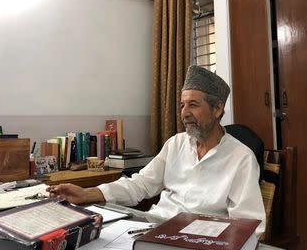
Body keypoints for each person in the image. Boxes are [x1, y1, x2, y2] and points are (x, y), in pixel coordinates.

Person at [48, 65, 266, 233]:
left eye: (193, 105)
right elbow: (140, 185)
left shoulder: (241, 158)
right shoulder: (176, 144)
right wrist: (86, 193)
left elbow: (250, 226)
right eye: (182, 105)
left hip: (200, 244)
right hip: (153, 229)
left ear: (217, 109)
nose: (184, 113)